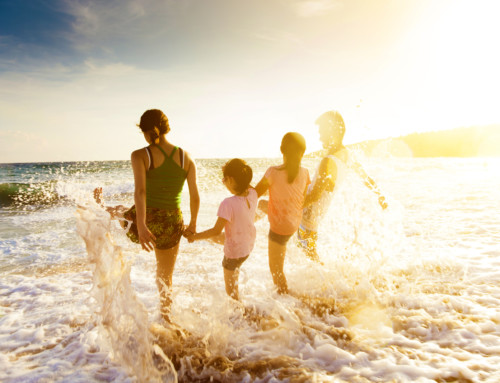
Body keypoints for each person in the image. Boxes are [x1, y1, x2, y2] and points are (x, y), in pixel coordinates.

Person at [95, 109, 200, 323]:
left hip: (148, 218)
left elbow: (141, 192)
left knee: (121, 212)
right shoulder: (186, 157)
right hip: (173, 222)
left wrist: (141, 225)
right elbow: (195, 196)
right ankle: (166, 318)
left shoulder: (140, 155)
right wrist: (193, 224)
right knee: (165, 275)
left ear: (146, 131)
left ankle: (100, 206)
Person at [298, 110, 387, 262]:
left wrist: (292, 208)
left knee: (309, 254)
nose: (319, 137)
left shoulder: (329, 161)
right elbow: (366, 178)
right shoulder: (348, 155)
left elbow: (315, 195)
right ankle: (326, 281)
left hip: (308, 215)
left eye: (322, 131)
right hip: (317, 214)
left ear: (331, 130)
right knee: (310, 254)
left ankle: (327, 283)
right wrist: (379, 195)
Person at [185, 159, 257, 301]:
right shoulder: (252, 194)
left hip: (233, 253)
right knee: (220, 241)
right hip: (247, 247)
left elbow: (216, 231)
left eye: (224, 179)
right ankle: (240, 309)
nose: (223, 182)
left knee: (231, 293)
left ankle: (239, 316)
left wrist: (194, 237)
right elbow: (247, 184)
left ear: (230, 179)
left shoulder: (228, 203)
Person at [255, 133, 311, 294]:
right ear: (303, 152)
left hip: (280, 228)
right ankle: (249, 223)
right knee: (263, 204)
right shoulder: (305, 172)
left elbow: (255, 193)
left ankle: (285, 296)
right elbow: (296, 193)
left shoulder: (273, 172)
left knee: (276, 270)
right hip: (294, 222)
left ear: (281, 150)